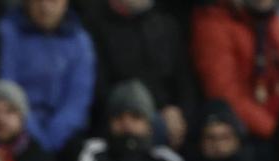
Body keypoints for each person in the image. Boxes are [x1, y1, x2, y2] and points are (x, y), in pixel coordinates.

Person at [78, 0, 197, 150]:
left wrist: (181, 113)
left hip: (169, 115)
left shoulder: (166, 24)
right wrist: (150, 112)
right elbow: (101, 89)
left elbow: (184, 80)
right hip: (121, 114)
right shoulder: (94, 25)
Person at [191, 0, 279, 145]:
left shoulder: (277, 23)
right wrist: (277, 132)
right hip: (246, 137)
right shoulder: (213, 24)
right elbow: (225, 96)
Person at [0, 0, 95, 155]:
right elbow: (6, 86)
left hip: (64, 135)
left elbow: (78, 98)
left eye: (53, 1)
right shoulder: (7, 33)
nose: (45, 7)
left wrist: (55, 135)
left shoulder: (80, 41)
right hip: (17, 127)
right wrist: (35, 135)